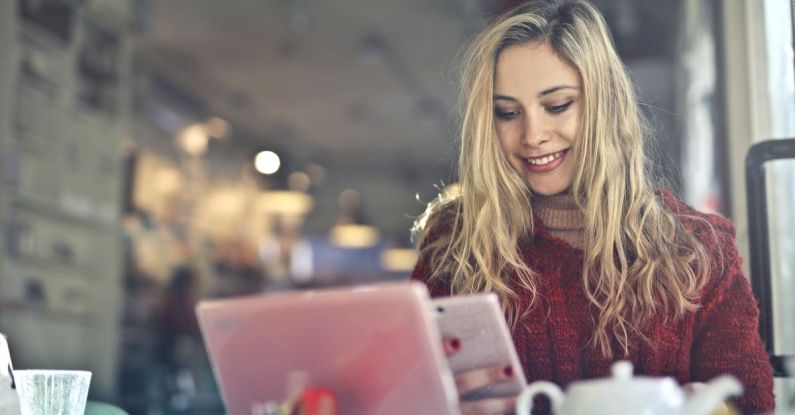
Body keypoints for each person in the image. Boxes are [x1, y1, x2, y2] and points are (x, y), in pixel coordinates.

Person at [410, 0, 775, 414]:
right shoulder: (454, 243)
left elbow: (751, 403)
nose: (533, 135)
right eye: (507, 113)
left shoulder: (699, 249)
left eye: (557, 105)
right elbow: (400, 394)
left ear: (605, 105)